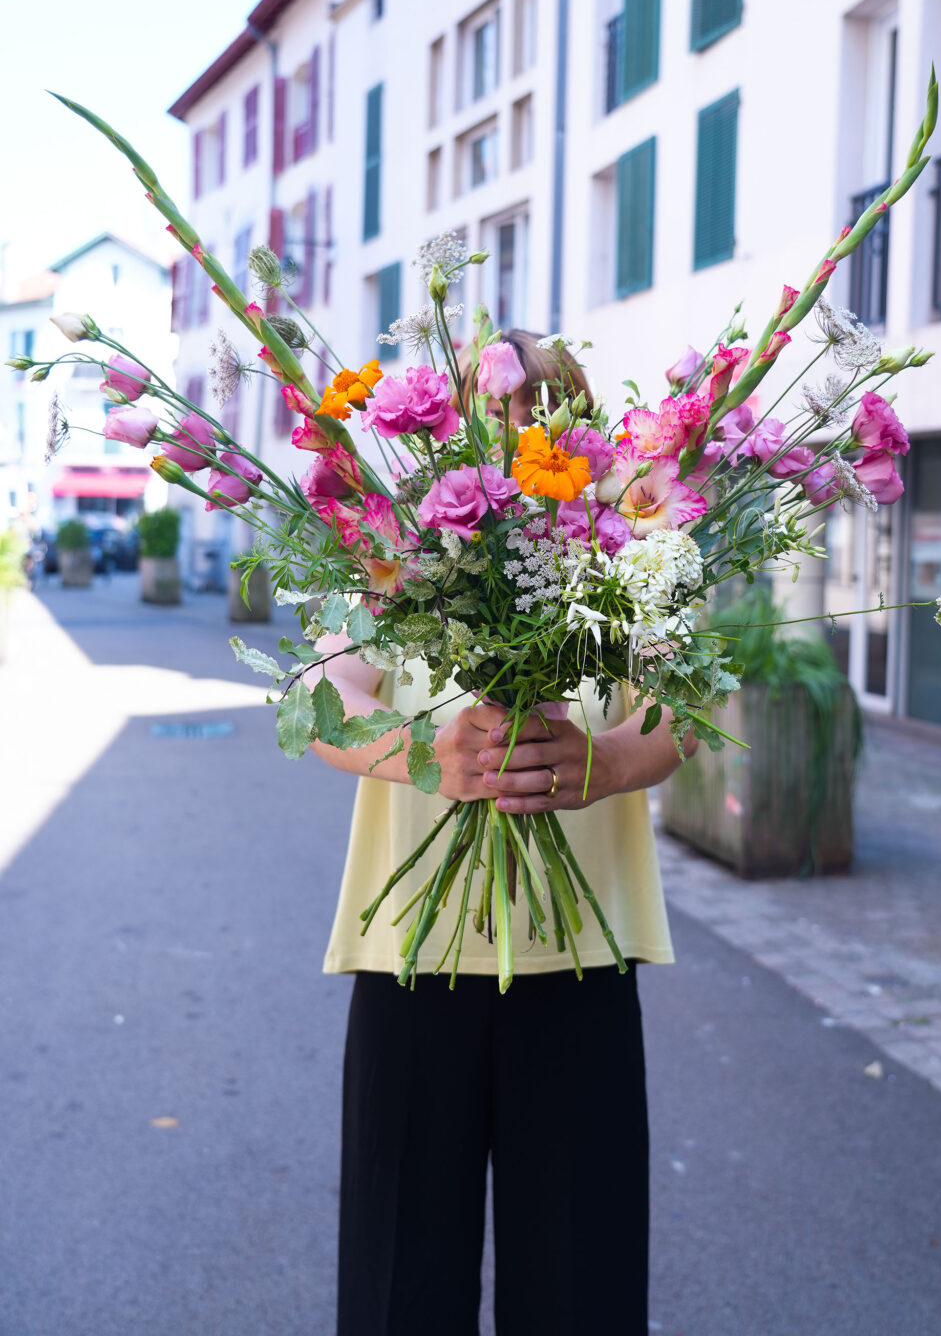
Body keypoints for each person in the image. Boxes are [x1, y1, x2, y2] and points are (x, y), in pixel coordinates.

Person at [310, 329, 696, 1336]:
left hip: (581, 955)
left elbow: (679, 713)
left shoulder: (634, 542)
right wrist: (420, 752)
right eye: (494, 407)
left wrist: (603, 762)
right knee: (401, 1290)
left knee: (583, 1289)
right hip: (410, 960)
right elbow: (328, 687)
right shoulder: (396, 543)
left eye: (538, 408)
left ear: (579, 427)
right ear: (451, 426)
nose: (518, 428)